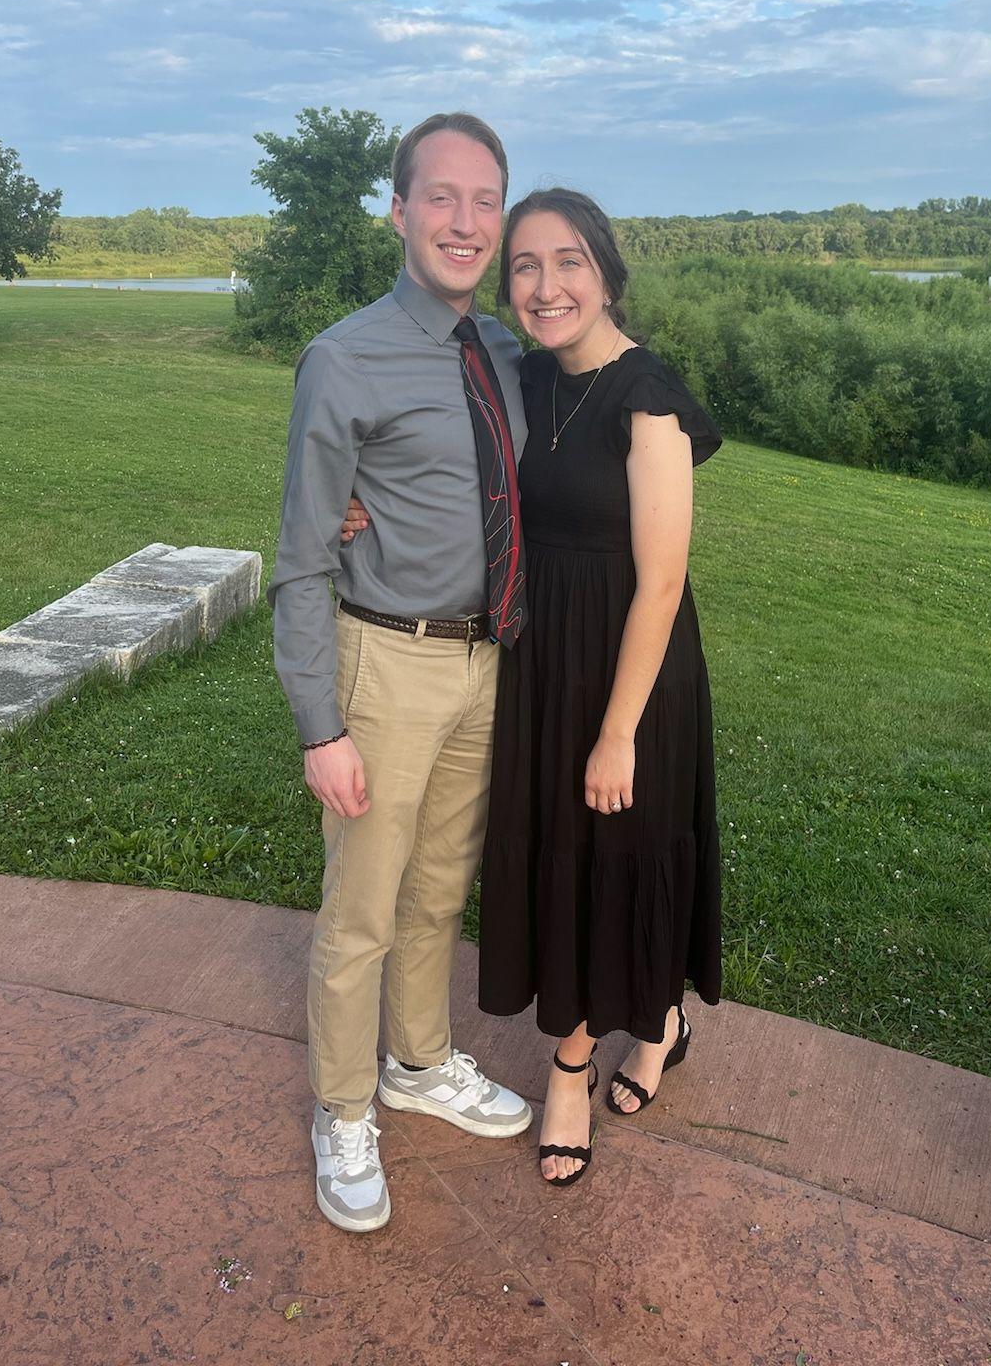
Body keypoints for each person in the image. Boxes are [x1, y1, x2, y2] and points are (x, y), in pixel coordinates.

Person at [343, 187, 723, 1186]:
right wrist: (360, 499)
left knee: (621, 851)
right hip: (540, 660)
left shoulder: (648, 398)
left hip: (630, 670)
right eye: (524, 265)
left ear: (606, 274)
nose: (545, 286)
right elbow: (445, 463)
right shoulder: (522, 375)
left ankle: (575, 1065)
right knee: (565, 854)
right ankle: (662, 1018)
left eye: (567, 263)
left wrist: (618, 731)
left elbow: (663, 582)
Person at [269, 113, 533, 1235]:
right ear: (398, 211)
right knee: (363, 909)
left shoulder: (508, 353)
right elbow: (299, 553)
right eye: (442, 197)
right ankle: (342, 1109)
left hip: (485, 662)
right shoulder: (345, 355)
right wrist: (319, 722)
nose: (464, 222)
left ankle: (418, 1062)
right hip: (386, 663)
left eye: (485, 201)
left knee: (438, 891)